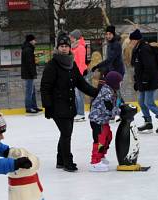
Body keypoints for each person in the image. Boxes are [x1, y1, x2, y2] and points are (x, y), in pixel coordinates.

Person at [40, 33, 99, 172]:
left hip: (70, 104)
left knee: (65, 133)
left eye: (66, 46)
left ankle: (60, 160)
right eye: (62, 46)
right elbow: (45, 87)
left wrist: (96, 92)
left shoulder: (71, 65)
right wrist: (47, 106)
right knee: (66, 133)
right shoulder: (52, 65)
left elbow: (81, 83)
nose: (64, 48)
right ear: (57, 47)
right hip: (56, 106)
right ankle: (67, 161)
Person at [128, 29, 158, 134]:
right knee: (141, 102)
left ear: (136, 40)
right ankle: (148, 123)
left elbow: (150, 67)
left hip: (150, 80)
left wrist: (145, 80)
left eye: (131, 40)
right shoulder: (137, 50)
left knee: (149, 102)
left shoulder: (145, 49)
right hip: (143, 81)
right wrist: (137, 82)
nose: (130, 42)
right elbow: (138, 68)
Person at [88, 71, 122, 172]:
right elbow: (109, 108)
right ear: (114, 82)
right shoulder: (106, 92)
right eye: (119, 82)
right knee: (100, 140)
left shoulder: (111, 90)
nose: (120, 84)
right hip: (97, 120)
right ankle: (95, 162)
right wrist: (120, 111)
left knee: (108, 136)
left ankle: (101, 156)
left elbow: (114, 104)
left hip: (103, 120)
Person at [69, 29, 90, 121]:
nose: (70, 38)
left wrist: (79, 76)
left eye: (72, 37)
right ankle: (77, 112)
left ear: (75, 38)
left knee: (78, 94)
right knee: (75, 94)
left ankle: (81, 113)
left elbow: (81, 63)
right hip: (74, 73)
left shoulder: (81, 47)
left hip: (80, 74)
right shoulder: (73, 47)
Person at [21, 34, 41, 113]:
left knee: (32, 91)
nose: (35, 41)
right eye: (34, 40)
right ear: (31, 40)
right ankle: (28, 107)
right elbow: (30, 63)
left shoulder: (28, 48)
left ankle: (34, 106)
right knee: (29, 91)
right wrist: (33, 73)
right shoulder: (28, 50)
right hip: (28, 74)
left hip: (29, 73)